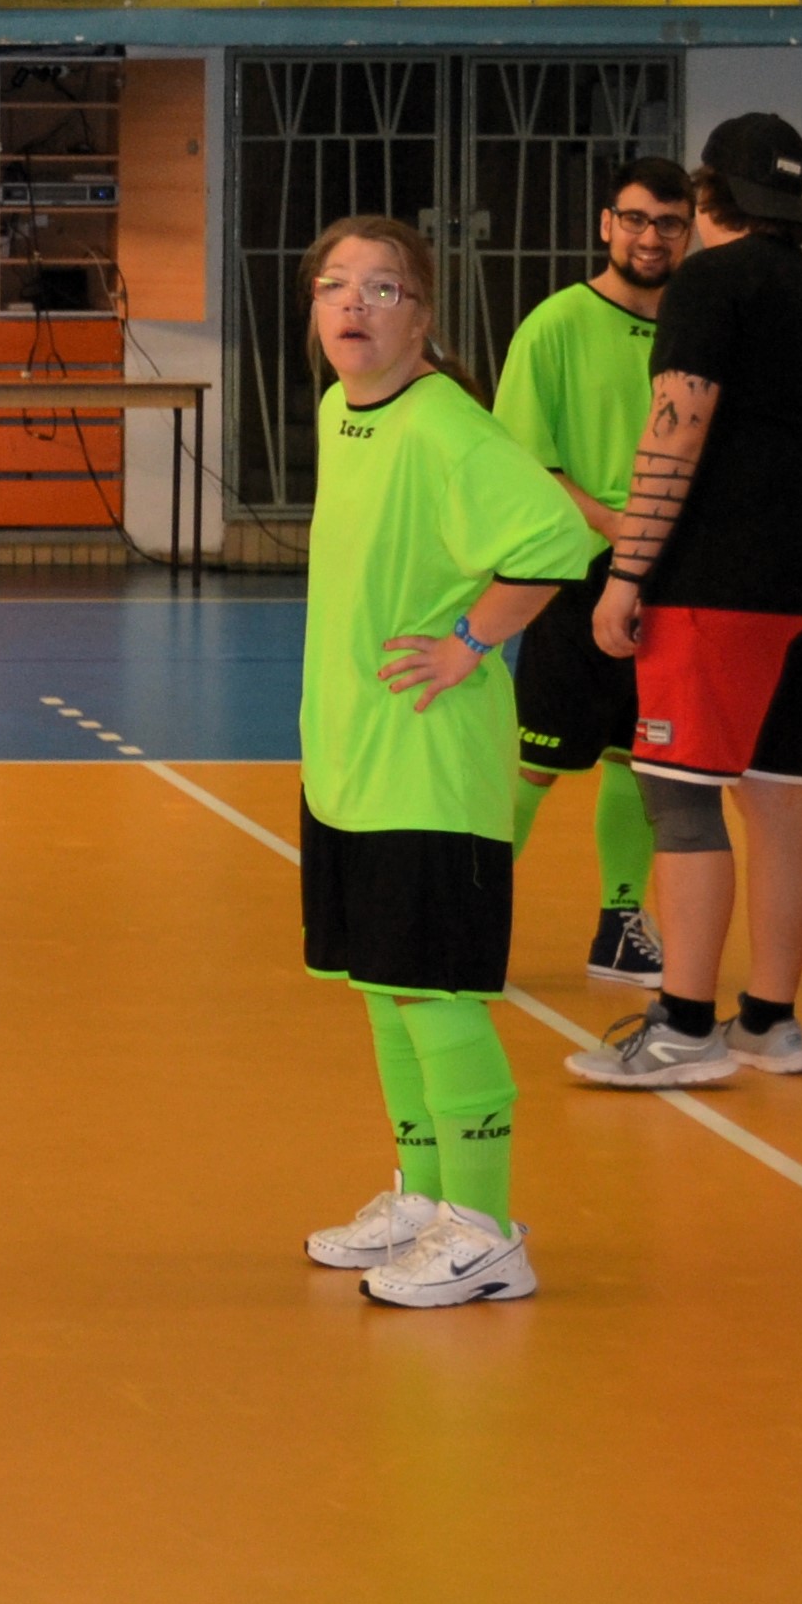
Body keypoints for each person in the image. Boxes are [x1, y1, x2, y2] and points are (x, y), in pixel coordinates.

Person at [280, 218, 591, 1311]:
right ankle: (425, 1199)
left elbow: (555, 540)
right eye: (335, 286)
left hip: (430, 761)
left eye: (382, 289)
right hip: (352, 757)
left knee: (432, 990)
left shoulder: (447, 424)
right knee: (383, 986)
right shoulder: (343, 410)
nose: (353, 306)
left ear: (423, 316)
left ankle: (486, 1231)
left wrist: (470, 641)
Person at [570, 113, 802, 1092]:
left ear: (706, 195)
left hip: (720, 577)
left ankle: (685, 1027)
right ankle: (769, 1022)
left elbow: (675, 431)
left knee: (680, 792)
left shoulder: (709, 282)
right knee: (774, 791)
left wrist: (627, 573)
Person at [490, 156, 690, 990]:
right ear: (607, 224)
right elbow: (524, 463)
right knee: (535, 761)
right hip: (578, 574)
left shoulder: (696, 325)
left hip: (673, 576)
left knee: (638, 758)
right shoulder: (556, 325)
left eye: (669, 223)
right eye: (635, 219)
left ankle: (619, 926)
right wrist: (620, 529)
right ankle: (464, 919)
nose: (651, 237)